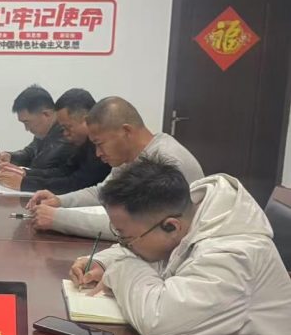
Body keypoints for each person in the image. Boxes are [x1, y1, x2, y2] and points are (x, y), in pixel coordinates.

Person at [69, 157, 291, 335]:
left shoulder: (233, 254)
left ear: (171, 226)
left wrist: (120, 268)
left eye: (126, 238)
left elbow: (159, 319)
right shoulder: (189, 212)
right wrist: (104, 262)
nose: (124, 245)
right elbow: (148, 252)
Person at [26, 96, 204, 239]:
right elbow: (104, 192)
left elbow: (138, 228)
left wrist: (58, 218)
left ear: (126, 131)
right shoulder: (130, 156)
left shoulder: (165, 161)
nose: (97, 153)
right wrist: (60, 201)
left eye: (99, 143)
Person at [0, 88, 110, 193]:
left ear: (86, 121)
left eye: (67, 127)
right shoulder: (83, 143)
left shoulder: (101, 146)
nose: (65, 133)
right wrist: (25, 173)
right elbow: (65, 171)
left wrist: (26, 183)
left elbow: (77, 183)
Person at [0, 85, 75, 183]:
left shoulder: (69, 135)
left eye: (27, 122)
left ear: (46, 114)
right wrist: (11, 157)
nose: (26, 129)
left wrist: (23, 173)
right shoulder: (44, 132)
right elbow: (31, 152)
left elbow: (54, 171)